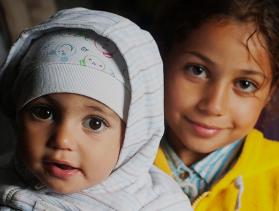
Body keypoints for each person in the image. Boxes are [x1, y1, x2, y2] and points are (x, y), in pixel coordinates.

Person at [0, 8, 192, 210]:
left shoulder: (158, 205)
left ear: (133, 138)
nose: (62, 140)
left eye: (95, 123)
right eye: (44, 112)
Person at [153, 0, 279, 210]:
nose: (213, 106)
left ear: (270, 94)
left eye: (245, 84)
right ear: (162, 61)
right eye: (197, 70)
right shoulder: (107, 158)